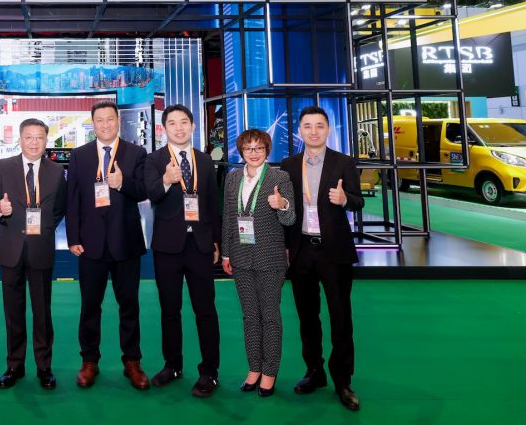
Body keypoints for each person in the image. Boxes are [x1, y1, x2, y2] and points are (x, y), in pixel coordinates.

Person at [281, 106, 364, 411]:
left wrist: (345, 199)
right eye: (307, 126)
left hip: (334, 252)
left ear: (328, 129)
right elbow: (286, 210)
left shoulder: (343, 162)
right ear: (299, 131)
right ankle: (314, 371)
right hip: (301, 250)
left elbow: (358, 201)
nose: (313, 131)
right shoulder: (289, 165)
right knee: (307, 317)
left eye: (319, 125)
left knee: (340, 317)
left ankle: (343, 380)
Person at [66, 100, 150, 390]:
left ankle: (132, 361)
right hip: (90, 244)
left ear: (118, 121)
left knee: (129, 305)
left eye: (110, 119)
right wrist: (73, 237)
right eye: (99, 120)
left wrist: (123, 183)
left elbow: (143, 191)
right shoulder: (79, 155)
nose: (105, 125)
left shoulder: (136, 153)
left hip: (126, 241)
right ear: (93, 124)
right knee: (90, 305)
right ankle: (89, 361)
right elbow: (73, 198)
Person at [143, 104, 221, 397]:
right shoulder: (154, 160)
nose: (179, 128)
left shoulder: (205, 160)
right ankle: (173, 365)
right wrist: (166, 180)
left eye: (184, 122)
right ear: (164, 129)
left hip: (200, 245)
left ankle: (210, 371)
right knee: (169, 310)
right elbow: (151, 194)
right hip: (167, 246)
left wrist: (216, 241)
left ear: (193, 126)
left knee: (205, 310)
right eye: (172, 123)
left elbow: (213, 203)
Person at [0, 118, 67, 390]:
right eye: (29, 137)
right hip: (11, 249)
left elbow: (60, 208)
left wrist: (44, 229)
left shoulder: (56, 171)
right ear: (20, 140)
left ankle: (44, 367)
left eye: (39, 138)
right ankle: (15, 365)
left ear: (46, 141)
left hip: (41, 249)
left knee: (42, 311)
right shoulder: (4, 166)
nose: (34, 143)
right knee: (13, 311)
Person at [221, 128, 295, 398]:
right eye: (248, 148)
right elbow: (228, 217)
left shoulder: (279, 177)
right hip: (240, 256)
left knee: (270, 316)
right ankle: (254, 368)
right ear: (241, 151)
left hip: (270, 256)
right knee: (250, 316)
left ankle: (269, 372)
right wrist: (226, 254)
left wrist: (282, 204)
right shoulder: (232, 178)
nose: (254, 153)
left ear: (267, 150)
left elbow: (290, 219)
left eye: (259, 148)